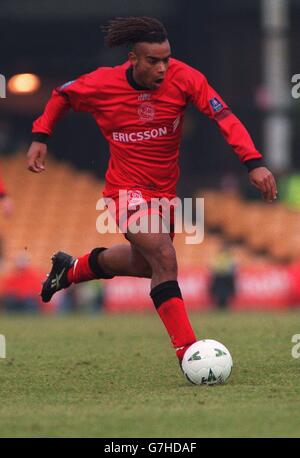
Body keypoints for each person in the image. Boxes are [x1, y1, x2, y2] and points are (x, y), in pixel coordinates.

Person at [26, 17, 277, 365]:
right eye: (153, 61)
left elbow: (224, 117)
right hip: (125, 190)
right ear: (132, 58)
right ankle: (189, 352)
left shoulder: (186, 78)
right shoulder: (102, 83)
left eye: (166, 59)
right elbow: (61, 96)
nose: (162, 68)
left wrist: (254, 161)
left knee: (144, 264)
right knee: (164, 257)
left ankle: (70, 270)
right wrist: (41, 137)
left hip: (164, 194)